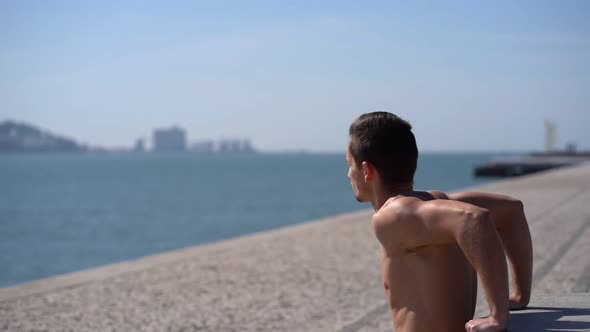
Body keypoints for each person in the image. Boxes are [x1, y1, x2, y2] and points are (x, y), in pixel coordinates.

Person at [346, 112, 533, 331]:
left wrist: (498, 316)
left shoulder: (393, 215)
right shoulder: (435, 203)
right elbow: (511, 211)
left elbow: (474, 219)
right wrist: (520, 294)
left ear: (367, 170)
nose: (349, 174)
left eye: (350, 164)